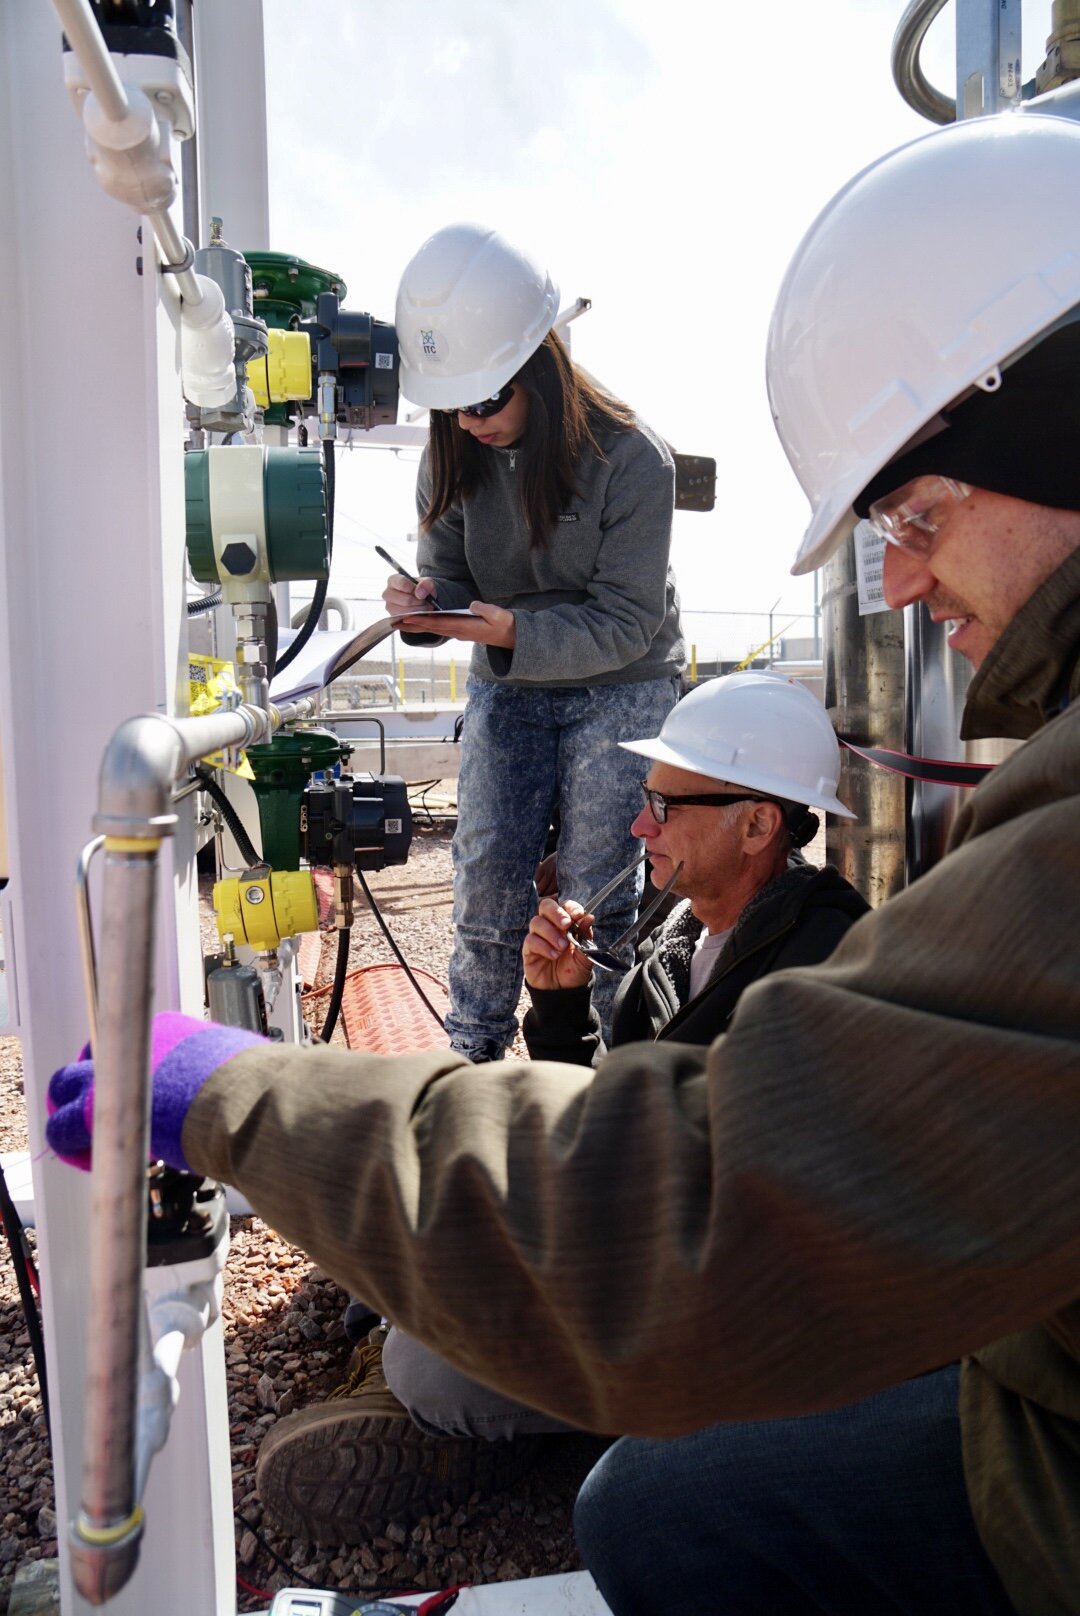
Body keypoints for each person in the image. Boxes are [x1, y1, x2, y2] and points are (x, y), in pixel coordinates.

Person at [46, 110, 1080, 1616]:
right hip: (988, 1363)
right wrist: (538, 1011)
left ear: (763, 825)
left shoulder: (841, 940)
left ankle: (457, 1389)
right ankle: (458, 1337)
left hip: (879, 1339)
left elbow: (695, 1198)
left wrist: (238, 1092)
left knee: (537, 1373)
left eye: (914, 515)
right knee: (640, 1480)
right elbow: (628, 1082)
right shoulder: (704, 937)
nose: (904, 582)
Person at [250, 672, 869, 1543]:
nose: (636, 825)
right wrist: (562, 1005)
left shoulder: (818, 971)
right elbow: (608, 1102)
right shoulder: (686, 927)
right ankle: (488, 1387)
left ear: (759, 823)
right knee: (405, 1211)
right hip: (632, 1235)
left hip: (713, 1313)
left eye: (664, 804)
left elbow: (731, 1212)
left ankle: (485, 1425)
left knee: (425, 1358)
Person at [384, 222, 684, 1060]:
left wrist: (511, 628)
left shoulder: (634, 460)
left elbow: (628, 619)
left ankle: (597, 1078)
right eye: (453, 404)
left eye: (486, 401)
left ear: (543, 371)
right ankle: (465, 1076)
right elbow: (448, 577)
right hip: (510, 684)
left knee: (596, 902)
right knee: (486, 891)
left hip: (623, 683)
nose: (469, 421)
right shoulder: (453, 453)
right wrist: (422, 604)